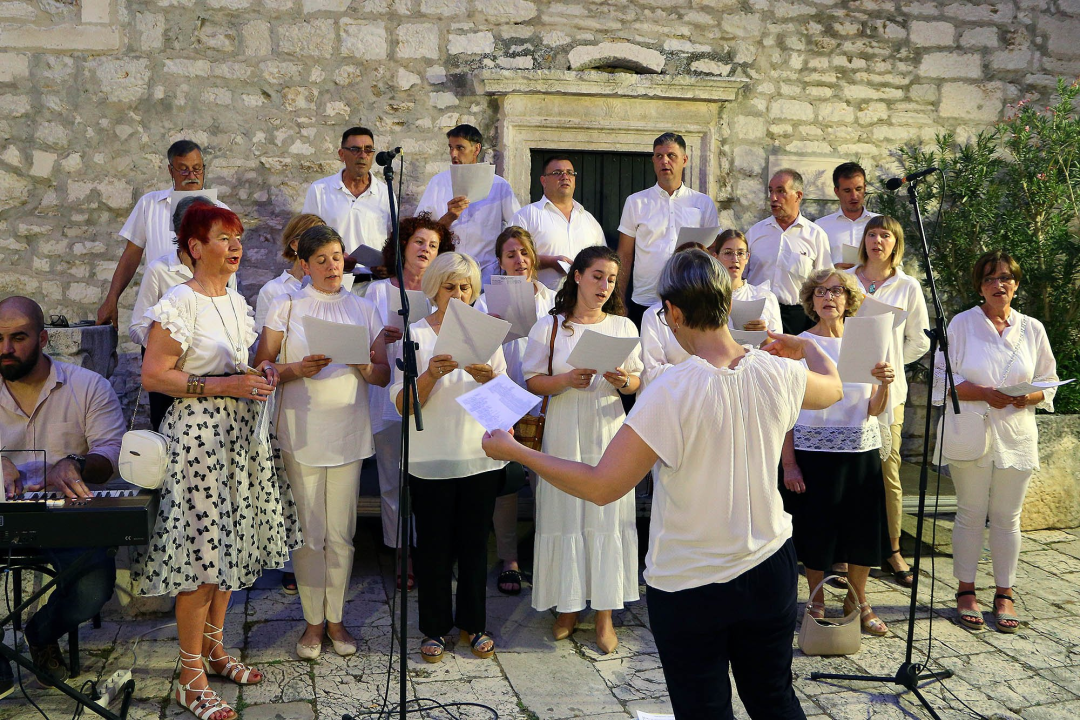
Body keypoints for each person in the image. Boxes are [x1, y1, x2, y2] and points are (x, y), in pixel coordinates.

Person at [482, 249, 843, 719]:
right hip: (770, 564)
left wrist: (517, 451)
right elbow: (833, 386)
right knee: (774, 696)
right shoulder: (777, 371)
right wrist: (805, 346)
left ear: (672, 312)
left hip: (692, 582)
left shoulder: (670, 390)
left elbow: (603, 486)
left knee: (704, 709)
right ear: (725, 304)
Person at [133, 204, 301, 720]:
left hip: (237, 436)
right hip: (198, 441)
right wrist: (225, 385)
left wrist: (259, 373)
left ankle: (214, 648)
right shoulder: (178, 302)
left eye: (238, 238)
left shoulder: (233, 299)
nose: (234, 247)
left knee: (229, 551)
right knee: (203, 557)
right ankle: (188, 675)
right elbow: (153, 375)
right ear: (193, 247)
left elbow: (236, 361)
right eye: (223, 238)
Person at [255, 225, 390, 659]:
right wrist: (298, 369)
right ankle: (313, 622)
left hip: (348, 431)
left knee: (341, 533)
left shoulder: (363, 308)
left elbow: (383, 374)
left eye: (337, 257)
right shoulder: (287, 305)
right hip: (302, 429)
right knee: (310, 533)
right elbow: (263, 366)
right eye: (322, 260)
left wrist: (362, 365)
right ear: (304, 265)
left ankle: (337, 619)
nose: (332, 267)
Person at [522, 245, 643, 654]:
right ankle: (568, 607)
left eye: (611, 279)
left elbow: (637, 384)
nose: (604, 286)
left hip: (608, 425)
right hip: (564, 423)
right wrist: (566, 380)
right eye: (596, 276)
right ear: (576, 276)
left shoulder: (624, 328)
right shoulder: (551, 326)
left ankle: (606, 613)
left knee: (607, 513)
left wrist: (624, 380)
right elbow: (533, 381)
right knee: (564, 510)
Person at [0, 297, 125, 689]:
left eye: (18, 338)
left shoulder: (88, 386)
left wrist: (76, 464)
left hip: (65, 517)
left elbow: (112, 453)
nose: (6, 349)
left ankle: (40, 632)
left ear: (43, 338)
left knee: (93, 587)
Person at [389, 252, 507, 663]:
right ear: (434, 289)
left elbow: (501, 406)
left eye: (466, 287)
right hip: (430, 459)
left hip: (477, 456)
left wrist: (490, 380)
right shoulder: (415, 335)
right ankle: (435, 628)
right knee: (434, 548)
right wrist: (431, 376)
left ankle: (474, 625)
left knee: (475, 546)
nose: (458, 294)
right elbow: (403, 405)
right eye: (450, 286)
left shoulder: (487, 337)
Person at [934, 250, 1058, 633]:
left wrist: (1029, 396)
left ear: (1016, 285)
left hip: (1016, 434)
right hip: (971, 431)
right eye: (990, 278)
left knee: (1007, 518)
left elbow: (1049, 382)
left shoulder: (1032, 328)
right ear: (980, 286)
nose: (998, 284)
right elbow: (942, 379)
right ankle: (965, 590)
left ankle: (1005, 593)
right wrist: (984, 392)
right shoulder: (961, 323)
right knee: (971, 513)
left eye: (1005, 277)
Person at [780, 270, 894, 636]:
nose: (829, 297)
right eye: (821, 291)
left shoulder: (867, 343)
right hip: (813, 450)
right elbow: (786, 411)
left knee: (862, 531)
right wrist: (790, 464)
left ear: (849, 300)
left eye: (837, 291)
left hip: (860, 448)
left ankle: (858, 601)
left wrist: (885, 384)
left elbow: (874, 409)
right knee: (817, 532)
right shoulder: (798, 345)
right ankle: (815, 601)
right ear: (811, 301)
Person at [364, 213, 457, 589]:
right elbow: (364, 349)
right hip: (392, 395)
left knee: (430, 479)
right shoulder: (377, 290)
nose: (425, 250)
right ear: (403, 245)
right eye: (420, 242)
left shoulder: (447, 294)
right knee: (393, 479)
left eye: (433, 246)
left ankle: (431, 551)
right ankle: (400, 551)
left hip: (435, 400)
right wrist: (384, 340)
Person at [474, 227, 557, 594]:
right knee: (506, 481)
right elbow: (473, 349)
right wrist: (490, 325)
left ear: (533, 257)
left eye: (524, 253)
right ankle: (509, 557)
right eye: (510, 254)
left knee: (548, 479)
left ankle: (547, 553)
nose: (519, 260)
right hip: (503, 396)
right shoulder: (483, 300)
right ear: (500, 260)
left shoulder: (554, 300)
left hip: (544, 399)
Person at [847, 216, 930, 588]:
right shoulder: (845, 279)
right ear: (863, 240)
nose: (877, 240)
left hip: (887, 392)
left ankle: (893, 548)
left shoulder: (907, 286)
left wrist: (892, 360)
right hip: (846, 388)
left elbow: (921, 341)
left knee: (888, 471)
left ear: (896, 244)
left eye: (885, 235)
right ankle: (843, 550)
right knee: (846, 470)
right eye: (872, 234)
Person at [129, 195, 231, 431]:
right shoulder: (160, 270)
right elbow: (136, 327)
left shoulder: (225, 270)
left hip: (211, 374)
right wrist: (169, 341)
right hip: (171, 377)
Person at [97, 140, 217, 327]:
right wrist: (112, 298)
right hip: (160, 315)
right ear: (171, 171)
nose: (192, 175)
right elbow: (131, 254)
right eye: (183, 169)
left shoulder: (221, 211)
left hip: (206, 315)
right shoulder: (150, 204)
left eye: (197, 169)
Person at [617, 132, 719, 326]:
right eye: (659, 156)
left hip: (690, 298)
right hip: (646, 299)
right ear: (653, 161)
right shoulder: (636, 202)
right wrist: (619, 299)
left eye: (671, 156)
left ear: (684, 160)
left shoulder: (703, 203)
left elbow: (713, 252)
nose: (665, 161)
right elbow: (624, 254)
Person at [416, 124, 520, 283]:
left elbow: (517, 229)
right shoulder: (438, 183)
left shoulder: (499, 185)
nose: (453, 154)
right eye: (451, 148)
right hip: (446, 271)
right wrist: (449, 217)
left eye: (460, 148)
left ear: (476, 149)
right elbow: (419, 230)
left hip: (485, 273)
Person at [745, 169, 832, 335]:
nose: (773, 198)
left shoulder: (815, 236)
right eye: (771, 191)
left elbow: (825, 282)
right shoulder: (755, 233)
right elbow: (741, 276)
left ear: (798, 196)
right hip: (758, 317)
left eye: (781, 191)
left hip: (798, 318)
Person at [509, 155, 606, 289]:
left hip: (582, 304)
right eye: (557, 173)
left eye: (570, 173)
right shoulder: (526, 216)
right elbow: (510, 258)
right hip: (540, 303)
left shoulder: (589, 220)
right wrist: (550, 262)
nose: (565, 177)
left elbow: (604, 261)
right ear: (544, 180)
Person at [301, 127, 391, 257]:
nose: (363, 155)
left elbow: (392, 240)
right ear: (342, 154)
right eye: (355, 149)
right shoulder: (320, 190)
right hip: (333, 273)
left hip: (374, 275)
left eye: (368, 150)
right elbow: (307, 238)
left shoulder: (385, 193)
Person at [639, 242, 705, 389]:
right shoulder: (654, 315)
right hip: (666, 397)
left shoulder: (713, 312)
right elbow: (653, 371)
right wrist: (698, 371)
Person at [254, 214, 326, 333]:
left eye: (325, 238)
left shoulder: (332, 284)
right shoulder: (272, 290)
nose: (321, 244)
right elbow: (263, 341)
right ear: (294, 244)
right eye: (314, 238)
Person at [711, 229, 782, 338]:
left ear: (747, 257)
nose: (735, 259)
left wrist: (764, 334)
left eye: (740, 253)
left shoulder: (764, 297)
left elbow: (778, 347)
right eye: (728, 253)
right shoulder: (705, 297)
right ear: (716, 257)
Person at [815, 162, 879, 270]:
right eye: (847, 191)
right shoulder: (821, 227)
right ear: (837, 192)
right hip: (836, 285)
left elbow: (896, 264)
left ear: (865, 188)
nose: (854, 196)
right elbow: (813, 268)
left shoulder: (880, 223)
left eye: (858, 189)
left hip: (873, 286)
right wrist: (832, 270)